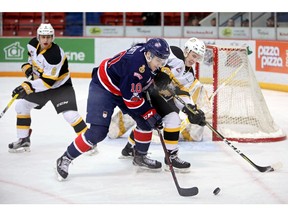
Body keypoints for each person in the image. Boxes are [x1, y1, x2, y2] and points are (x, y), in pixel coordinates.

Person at [55, 38, 171, 181]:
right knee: (98, 132)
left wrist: (156, 77)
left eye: (163, 61)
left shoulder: (147, 54)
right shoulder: (134, 66)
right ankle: (65, 158)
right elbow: (132, 100)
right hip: (103, 87)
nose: (160, 65)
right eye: (158, 61)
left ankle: (140, 156)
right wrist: (150, 113)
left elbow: (137, 85)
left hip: (122, 86)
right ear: (149, 56)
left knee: (145, 122)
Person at [121, 38, 208, 172]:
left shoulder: (190, 74)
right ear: (186, 51)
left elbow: (182, 93)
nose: (194, 60)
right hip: (147, 90)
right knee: (159, 120)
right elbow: (157, 63)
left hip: (162, 96)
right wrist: (162, 74)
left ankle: (131, 149)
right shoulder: (175, 52)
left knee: (161, 120)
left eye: (197, 58)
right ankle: (167, 157)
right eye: (193, 55)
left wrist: (190, 108)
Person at [8, 23, 88, 153]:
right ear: (38, 37)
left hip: (60, 87)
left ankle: (88, 142)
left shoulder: (54, 55)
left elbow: (48, 83)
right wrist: (28, 68)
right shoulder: (32, 44)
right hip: (41, 84)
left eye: (49, 37)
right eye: (43, 37)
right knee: (21, 106)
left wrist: (27, 86)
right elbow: (32, 59)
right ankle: (24, 139)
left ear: (53, 37)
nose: (46, 40)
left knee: (70, 115)